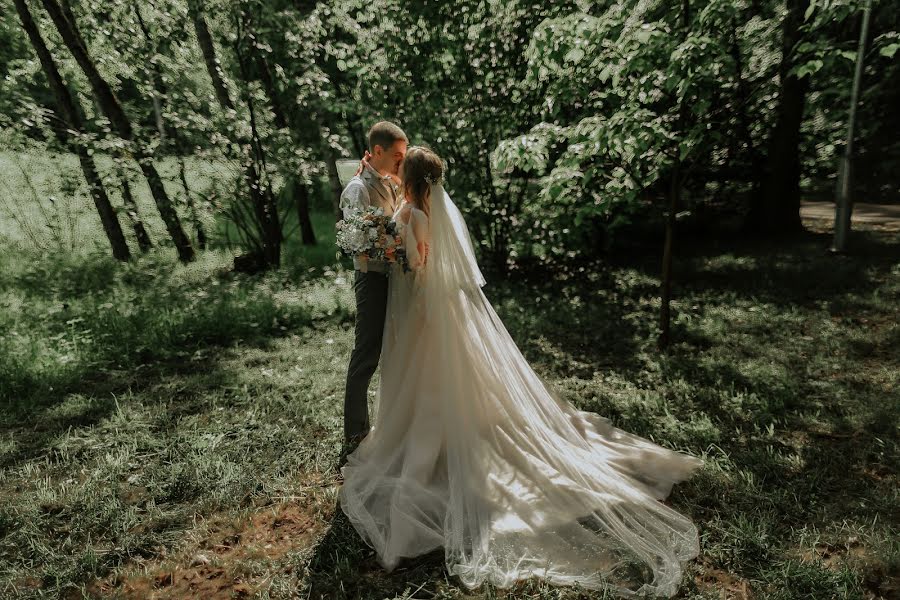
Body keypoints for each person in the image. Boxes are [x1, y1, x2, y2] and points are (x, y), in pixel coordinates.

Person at [338, 146, 703, 597]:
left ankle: (428, 433)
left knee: (425, 375)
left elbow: (413, 263)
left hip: (418, 310)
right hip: (441, 308)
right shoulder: (432, 211)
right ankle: (451, 424)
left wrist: (391, 241)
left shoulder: (410, 212)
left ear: (408, 179)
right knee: (450, 374)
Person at [339, 121, 408, 462]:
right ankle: (355, 432)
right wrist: (395, 244)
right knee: (366, 353)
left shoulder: (389, 182)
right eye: (397, 156)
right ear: (377, 151)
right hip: (373, 279)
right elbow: (356, 243)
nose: (401, 162)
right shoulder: (357, 189)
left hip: (395, 279)